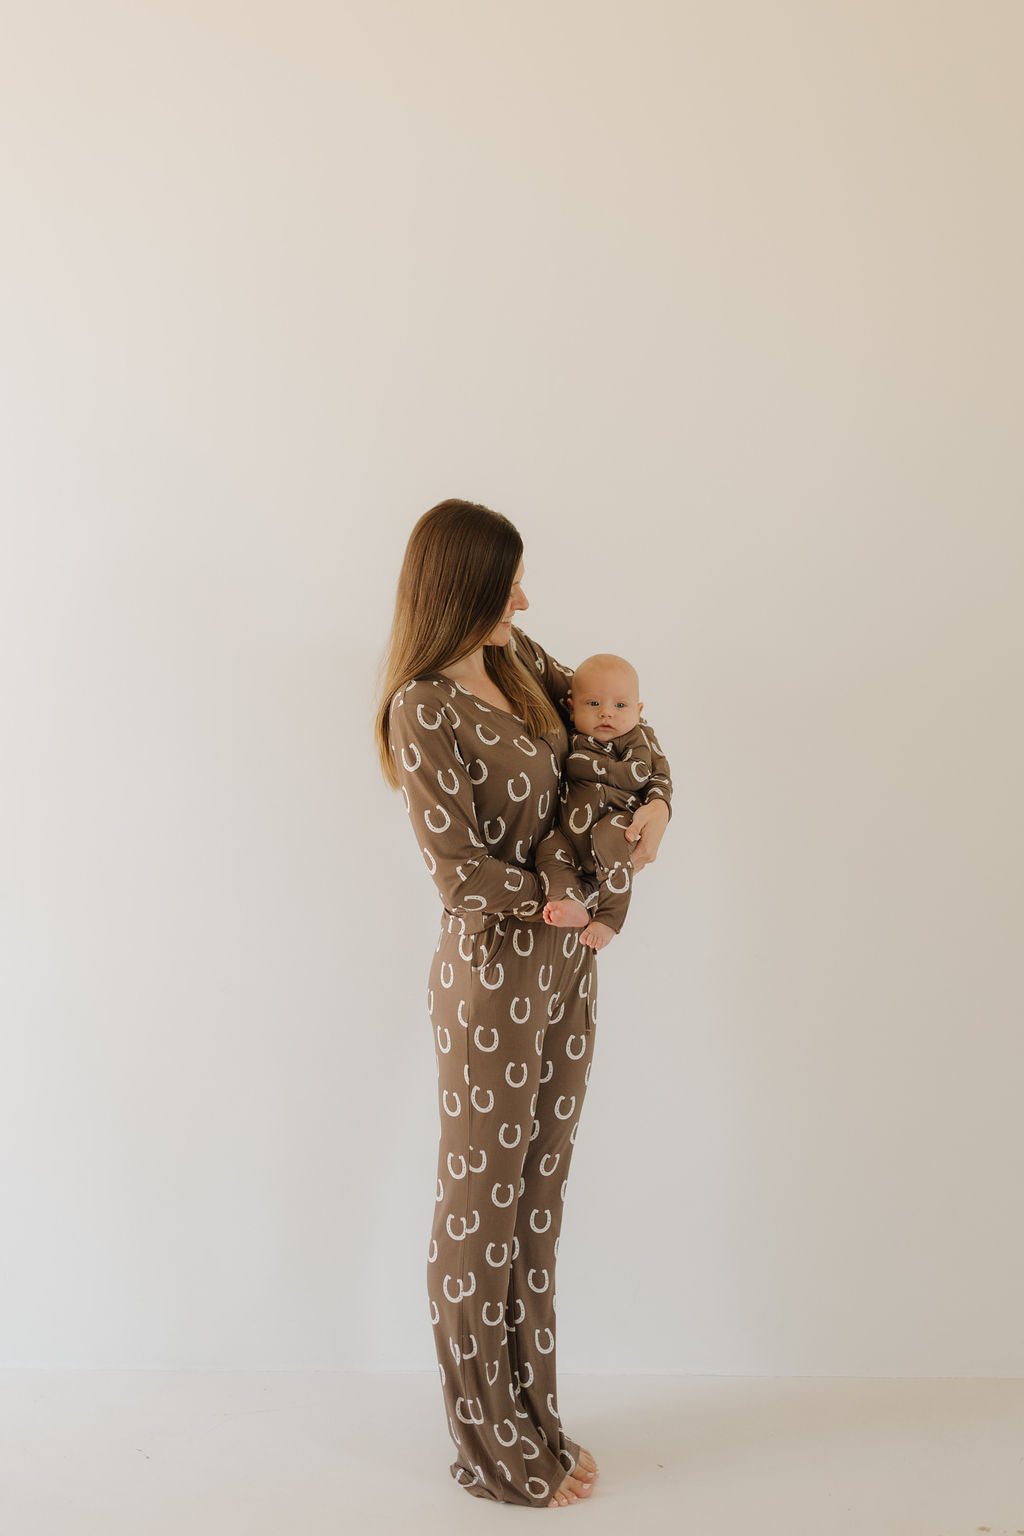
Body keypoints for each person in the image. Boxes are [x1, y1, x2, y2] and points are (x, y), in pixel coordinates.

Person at [374, 499, 671, 1508]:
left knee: (535, 1207)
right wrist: (557, 902)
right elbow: (458, 875)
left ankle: (536, 1419)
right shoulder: (422, 707)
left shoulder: (520, 663)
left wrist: (659, 800)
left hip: (567, 973)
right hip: (495, 981)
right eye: (508, 588)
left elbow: (622, 722)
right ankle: (489, 1447)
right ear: (461, 594)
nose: (526, 600)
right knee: (479, 1214)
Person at [535, 652, 672, 952]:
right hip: (569, 835)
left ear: (638, 710)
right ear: (571, 709)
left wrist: (588, 765)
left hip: (616, 820)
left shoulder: (635, 738)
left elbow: (638, 774)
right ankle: (568, 900)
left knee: (609, 837)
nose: (606, 713)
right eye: (593, 703)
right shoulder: (573, 737)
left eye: (620, 705)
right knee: (548, 848)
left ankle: (609, 918)